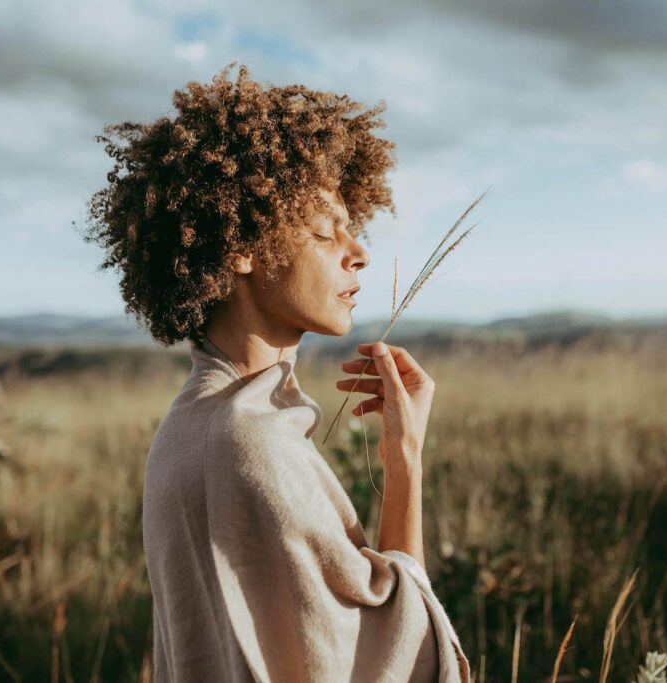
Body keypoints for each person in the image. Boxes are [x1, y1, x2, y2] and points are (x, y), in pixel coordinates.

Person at [83, 62, 470, 682]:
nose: (358, 251)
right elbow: (404, 656)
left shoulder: (191, 426)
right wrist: (405, 459)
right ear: (237, 246)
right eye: (324, 232)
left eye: (352, 227)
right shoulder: (249, 441)